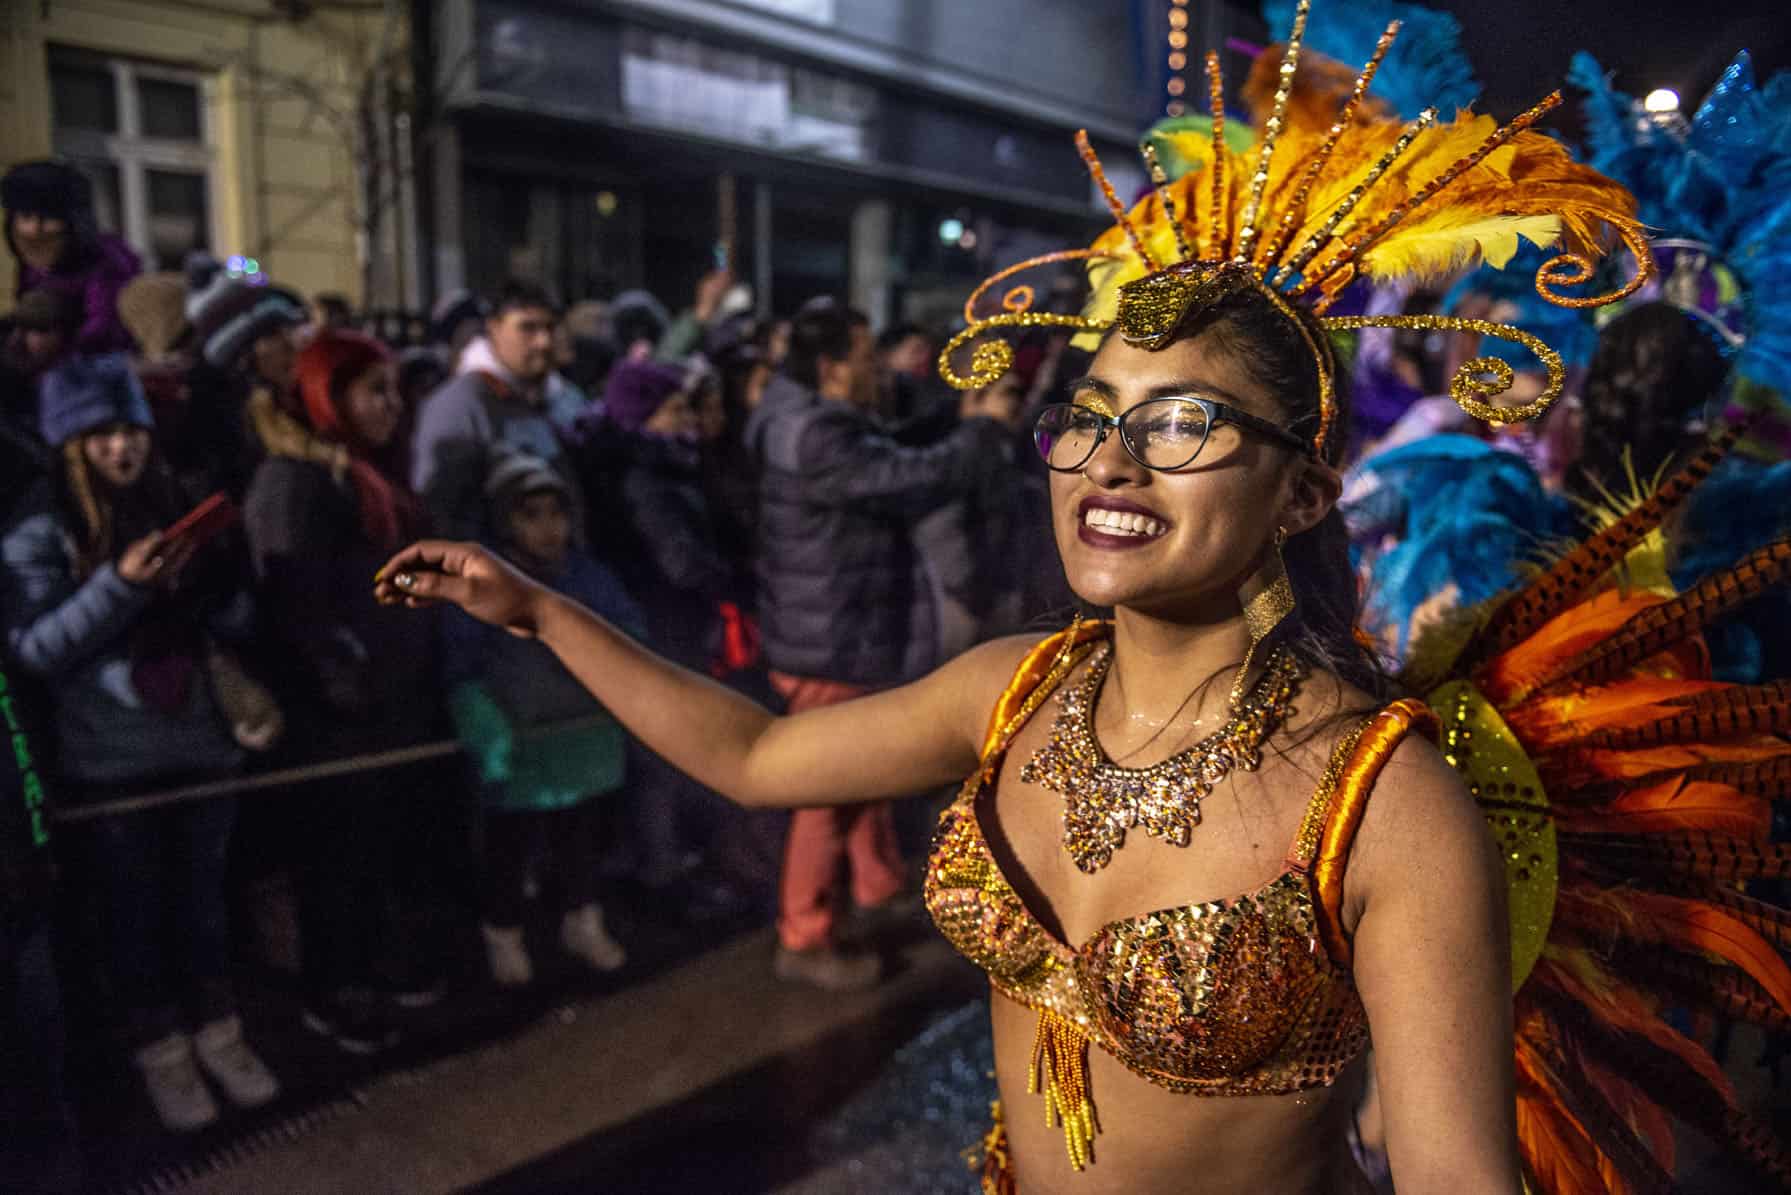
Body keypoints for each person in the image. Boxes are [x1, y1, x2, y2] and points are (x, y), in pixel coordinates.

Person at [2, 354, 281, 1134]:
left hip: (202, 738)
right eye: (100, 436)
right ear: (68, 445)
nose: (122, 449)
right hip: (109, 755)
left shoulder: (174, 497)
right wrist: (120, 584)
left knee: (202, 905)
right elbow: (31, 648)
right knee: (134, 915)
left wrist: (221, 584)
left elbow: (230, 626)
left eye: (131, 429)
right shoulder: (37, 528)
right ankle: (160, 1050)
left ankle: (221, 1035)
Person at [736, 296, 1017, 989]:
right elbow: (906, 477)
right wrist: (978, 431)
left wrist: (952, 418)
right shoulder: (817, 434)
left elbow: (888, 448)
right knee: (828, 789)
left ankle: (877, 885)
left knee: (861, 770)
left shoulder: (799, 417)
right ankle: (803, 934)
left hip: (831, 626)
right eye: (865, 358)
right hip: (832, 633)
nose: (877, 370)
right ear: (832, 369)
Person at [242, 328, 437, 1050]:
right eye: (372, 390)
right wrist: (347, 681)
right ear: (330, 395)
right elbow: (296, 607)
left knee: (373, 849)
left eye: (393, 389)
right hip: (334, 714)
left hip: (387, 699)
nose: (391, 404)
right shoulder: (294, 480)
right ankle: (333, 989)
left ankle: (374, 966)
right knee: (332, 858)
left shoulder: (366, 471)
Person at [443, 453, 640, 985]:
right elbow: (462, 664)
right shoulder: (482, 586)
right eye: (531, 514)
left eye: (557, 512)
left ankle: (581, 920)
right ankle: (502, 932)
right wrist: (482, 722)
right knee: (509, 845)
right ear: (504, 520)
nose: (549, 527)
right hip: (522, 743)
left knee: (579, 838)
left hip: (581, 739)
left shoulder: (588, 577)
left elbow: (628, 631)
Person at [412, 280, 582, 541]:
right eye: (528, 328)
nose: (543, 342)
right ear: (493, 328)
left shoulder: (543, 399)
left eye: (549, 327)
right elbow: (442, 514)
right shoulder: (461, 405)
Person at [2, 160, 141, 356]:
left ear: (74, 222)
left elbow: (102, 332)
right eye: (25, 217)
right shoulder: (32, 266)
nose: (34, 230)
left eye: (47, 218)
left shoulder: (104, 265)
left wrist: (54, 348)